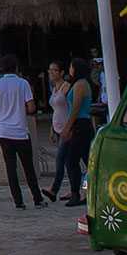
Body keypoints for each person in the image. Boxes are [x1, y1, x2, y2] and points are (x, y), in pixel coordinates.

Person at [0, 53, 45, 209]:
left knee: (11, 168)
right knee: (28, 168)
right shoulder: (23, 84)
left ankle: (18, 202)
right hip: (20, 131)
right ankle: (37, 199)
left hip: (3, 132)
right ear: (17, 68)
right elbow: (32, 107)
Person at [57, 58, 97, 206]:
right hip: (81, 124)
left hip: (80, 125)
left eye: (71, 67)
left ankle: (76, 193)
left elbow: (75, 108)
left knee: (71, 160)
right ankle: (87, 191)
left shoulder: (80, 85)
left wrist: (67, 127)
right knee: (87, 162)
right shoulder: (79, 84)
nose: (70, 69)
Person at [43, 60, 70, 202]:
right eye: (50, 70)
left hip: (67, 128)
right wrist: (52, 129)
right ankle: (74, 189)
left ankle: (54, 189)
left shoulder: (67, 87)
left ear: (61, 73)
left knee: (61, 158)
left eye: (54, 70)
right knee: (69, 161)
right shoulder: (54, 89)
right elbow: (55, 110)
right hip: (58, 127)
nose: (51, 73)